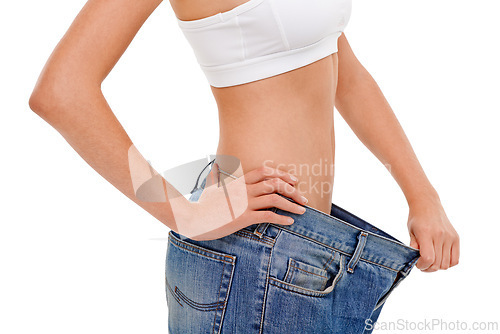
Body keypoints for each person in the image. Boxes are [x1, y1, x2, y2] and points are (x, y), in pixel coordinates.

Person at [28, 0, 460, 333]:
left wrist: (422, 193)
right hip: (254, 250)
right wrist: (185, 214)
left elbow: (342, 67)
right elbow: (62, 92)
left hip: (308, 246)